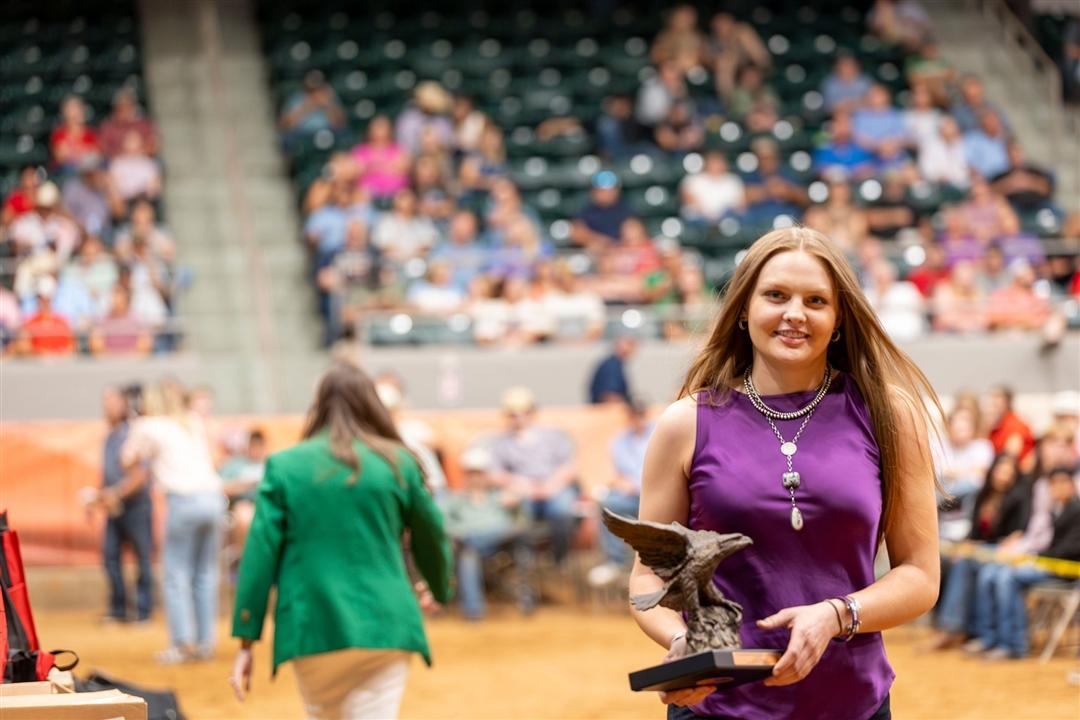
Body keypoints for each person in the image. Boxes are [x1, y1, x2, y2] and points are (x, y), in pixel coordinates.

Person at [630, 227, 941, 719]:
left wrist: (837, 616)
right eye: (776, 295)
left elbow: (920, 575)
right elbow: (649, 576)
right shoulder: (685, 424)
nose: (795, 313)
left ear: (838, 319)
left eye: (816, 300)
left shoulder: (888, 415)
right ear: (744, 309)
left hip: (851, 703)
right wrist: (684, 644)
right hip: (718, 708)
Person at [229, 362, 451, 719]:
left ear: (318, 406)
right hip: (387, 622)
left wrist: (246, 638)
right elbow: (432, 532)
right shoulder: (399, 463)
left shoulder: (284, 466)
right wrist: (438, 587)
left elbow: (260, 553)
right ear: (371, 404)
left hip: (313, 624)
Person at [115, 380, 225, 664]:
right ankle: (205, 644)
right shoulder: (192, 421)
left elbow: (126, 461)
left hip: (183, 502)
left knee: (176, 576)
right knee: (205, 574)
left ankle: (181, 644)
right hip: (213, 499)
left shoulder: (148, 425)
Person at [969, 466, 1080, 660]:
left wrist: (1036, 558)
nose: (1058, 488)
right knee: (991, 572)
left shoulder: (1076, 511)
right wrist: (1034, 557)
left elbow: (1070, 550)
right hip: (1047, 563)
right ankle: (990, 638)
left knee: (1007, 577)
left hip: (1063, 572)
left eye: (1063, 483)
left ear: (1072, 486)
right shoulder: (1055, 511)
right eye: (1054, 484)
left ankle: (1014, 644)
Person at [487, 386, 580, 564]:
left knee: (562, 510)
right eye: (513, 414)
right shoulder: (500, 442)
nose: (519, 418)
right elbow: (495, 473)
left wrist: (551, 486)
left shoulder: (552, 435)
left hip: (554, 488)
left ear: (532, 412)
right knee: (520, 520)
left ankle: (560, 560)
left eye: (524, 412)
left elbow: (570, 466)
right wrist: (520, 484)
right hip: (523, 491)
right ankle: (526, 566)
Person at [440, 447, 533, 620]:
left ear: (487, 475)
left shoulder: (501, 497)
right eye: (471, 473)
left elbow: (523, 523)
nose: (475, 478)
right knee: (468, 554)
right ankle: (473, 613)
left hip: (501, 543)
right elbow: (444, 525)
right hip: (468, 545)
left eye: (479, 473)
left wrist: (519, 502)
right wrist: (463, 533)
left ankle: (474, 540)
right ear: (464, 475)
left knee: (514, 535)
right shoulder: (454, 500)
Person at [87, 386, 154, 624]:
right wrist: (99, 498)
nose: (108, 407)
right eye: (105, 402)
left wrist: (116, 493)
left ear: (124, 405)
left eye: (112, 402)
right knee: (110, 557)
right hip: (114, 509)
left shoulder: (134, 435)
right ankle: (118, 610)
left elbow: (141, 475)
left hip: (136, 507)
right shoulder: (109, 438)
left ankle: (144, 611)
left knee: (142, 558)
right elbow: (108, 475)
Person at [591, 397, 656, 585]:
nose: (638, 419)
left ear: (646, 414)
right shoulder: (619, 440)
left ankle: (664, 563)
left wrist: (642, 485)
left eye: (640, 414)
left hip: (656, 492)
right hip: (630, 495)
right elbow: (617, 474)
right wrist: (622, 483)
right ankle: (616, 561)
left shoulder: (660, 433)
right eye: (634, 415)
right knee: (608, 504)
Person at [588, 334, 638, 404]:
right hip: (606, 412)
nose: (632, 349)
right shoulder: (612, 366)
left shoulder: (615, 364)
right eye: (630, 344)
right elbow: (610, 396)